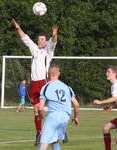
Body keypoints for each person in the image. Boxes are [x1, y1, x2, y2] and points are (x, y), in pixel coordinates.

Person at [12, 18, 59, 146]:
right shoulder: (34, 49)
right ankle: (39, 133)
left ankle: (58, 131)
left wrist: (54, 34)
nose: (40, 41)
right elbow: (25, 37)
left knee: (47, 110)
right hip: (34, 84)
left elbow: (54, 41)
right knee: (36, 111)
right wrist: (17, 28)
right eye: (39, 39)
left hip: (44, 83)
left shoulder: (48, 50)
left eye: (43, 39)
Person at [38, 64, 79, 150]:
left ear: (48, 74)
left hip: (54, 116)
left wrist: (40, 115)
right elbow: (76, 104)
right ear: (59, 73)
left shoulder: (46, 87)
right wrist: (76, 117)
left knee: (43, 144)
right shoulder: (67, 87)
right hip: (65, 117)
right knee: (54, 141)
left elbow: (40, 107)